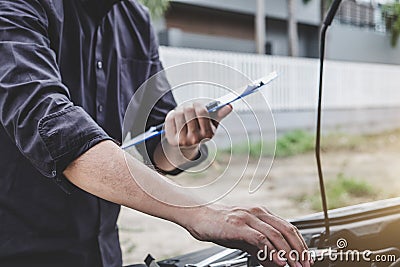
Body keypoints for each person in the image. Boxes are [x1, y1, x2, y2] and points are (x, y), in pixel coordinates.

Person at [0, 0, 312, 267]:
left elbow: (159, 151)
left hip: (105, 251)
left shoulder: (136, 19)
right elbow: (54, 129)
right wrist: (199, 212)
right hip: (20, 250)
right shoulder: (18, 7)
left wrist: (182, 141)